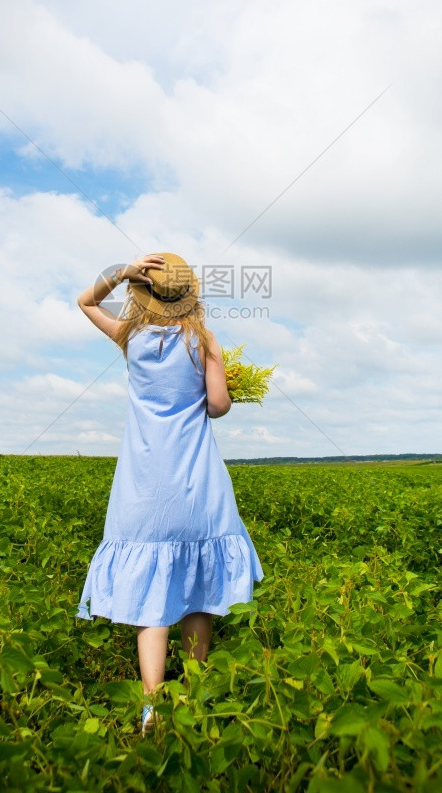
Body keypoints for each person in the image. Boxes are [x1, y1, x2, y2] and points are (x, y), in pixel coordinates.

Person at [75, 252, 263, 734]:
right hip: (197, 480)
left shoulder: (130, 337)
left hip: (142, 484)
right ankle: (195, 696)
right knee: (198, 593)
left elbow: (84, 300)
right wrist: (219, 382)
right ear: (188, 298)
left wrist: (120, 270)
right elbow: (218, 406)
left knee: (149, 599)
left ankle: (150, 707)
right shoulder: (203, 340)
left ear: (144, 295)